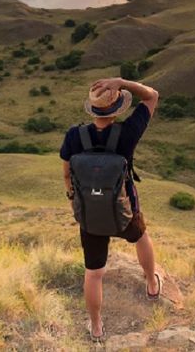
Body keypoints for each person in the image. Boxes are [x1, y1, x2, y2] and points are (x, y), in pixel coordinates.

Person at [59, 77, 160, 341]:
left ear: (92, 110)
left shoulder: (74, 136)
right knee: (141, 237)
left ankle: (95, 326)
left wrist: (75, 202)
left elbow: (67, 174)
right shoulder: (127, 133)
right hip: (124, 210)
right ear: (117, 109)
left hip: (90, 216)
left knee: (93, 274)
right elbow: (152, 96)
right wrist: (122, 82)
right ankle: (151, 283)